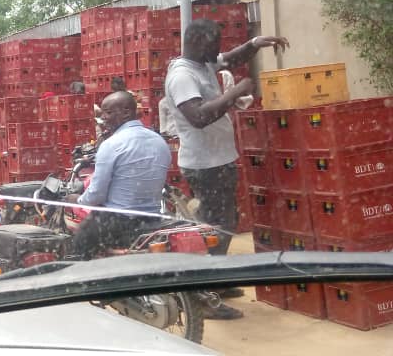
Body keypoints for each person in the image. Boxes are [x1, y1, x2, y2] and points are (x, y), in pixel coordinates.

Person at [165, 19, 289, 318]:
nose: (218, 50)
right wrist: (235, 93)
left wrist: (255, 43)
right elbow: (197, 116)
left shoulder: (201, 63)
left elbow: (229, 59)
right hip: (205, 165)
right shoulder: (183, 75)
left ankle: (215, 283)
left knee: (223, 222)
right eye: (214, 43)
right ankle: (202, 296)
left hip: (217, 160)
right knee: (213, 227)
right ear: (197, 42)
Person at [66, 92, 170, 261]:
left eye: (108, 112)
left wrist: (76, 200)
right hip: (153, 219)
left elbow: (96, 195)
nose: (103, 118)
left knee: (79, 246)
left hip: (118, 224)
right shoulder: (159, 141)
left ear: (127, 112)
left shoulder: (112, 145)